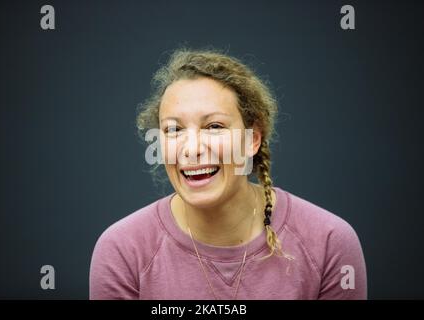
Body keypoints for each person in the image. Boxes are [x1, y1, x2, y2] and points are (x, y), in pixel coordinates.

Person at [89, 48, 367, 299]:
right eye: (174, 130)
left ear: (252, 139)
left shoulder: (330, 243)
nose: (192, 148)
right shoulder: (122, 251)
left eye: (214, 127)